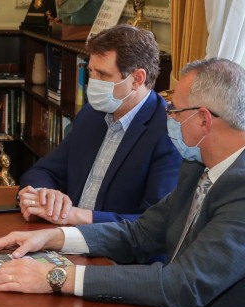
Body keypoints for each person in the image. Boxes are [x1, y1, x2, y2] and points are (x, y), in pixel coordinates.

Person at [0, 58, 245, 307]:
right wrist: (54, 238)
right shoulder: (198, 167)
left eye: (175, 111)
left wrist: (58, 276)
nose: (168, 119)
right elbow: (140, 233)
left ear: (203, 120)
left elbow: (184, 284)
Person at [17, 25, 181, 225]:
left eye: (102, 75)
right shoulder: (91, 114)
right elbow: (42, 171)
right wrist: (44, 195)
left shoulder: (169, 133)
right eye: (91, 72)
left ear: (137, 79)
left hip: (116, 253)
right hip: (66, 238)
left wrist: (75, 216)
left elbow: (154, 224)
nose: (92, 82)